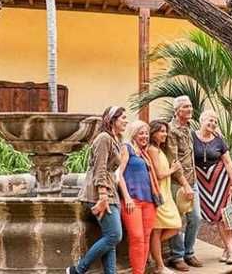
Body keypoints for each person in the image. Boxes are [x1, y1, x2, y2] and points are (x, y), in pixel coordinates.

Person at [67, 106, 127, 274]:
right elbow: (100, 168)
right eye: (123, 118)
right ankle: (78, 270)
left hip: (110, 191)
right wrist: (103, 195)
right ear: (112, 120)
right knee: (114, 235)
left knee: (111, 238)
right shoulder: (103, 138)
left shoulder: (115, 139)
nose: (126, 121)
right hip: (100, 193)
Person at [193, 110, 232, 264]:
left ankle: (230, 251)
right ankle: (227, 248)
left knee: (225, 217)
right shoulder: (191, 137)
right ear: (201, 120)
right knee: (216, 217)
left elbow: (228, 163)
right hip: (203, 185)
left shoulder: (219, 140)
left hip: (222, 183)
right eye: (210, 120)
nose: (213, 123)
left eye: (215, 121)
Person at [117, 120, 162, 274]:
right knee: (136, 237)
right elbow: (118, 174)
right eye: (141, 133)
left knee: (146, 237)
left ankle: (140, 271)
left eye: (147, 133)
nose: (145, 136)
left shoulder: (143, 153)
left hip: (149, 201)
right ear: (133, 134)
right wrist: (127, 198)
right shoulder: (126, 148)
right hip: (133, 201)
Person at [147, 120, 191, 274]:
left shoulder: (160, 150)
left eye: (166, 131)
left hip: (166, 194)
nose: (165, 134)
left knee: (176, 225)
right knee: (158, 230)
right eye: (161, 131)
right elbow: (158, 174)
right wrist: (174, 169)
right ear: (153, 133)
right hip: (159, 194)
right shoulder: (152, 150)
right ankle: (159, 266)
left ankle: (150, 248)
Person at [167, 96, 202, 270]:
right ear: (177, 110)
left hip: (192, 181)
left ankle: (189, 252)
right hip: (178, 183)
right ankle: (177, 256)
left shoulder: (188, 127)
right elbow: (174, 161)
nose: (190, 109)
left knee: (196, 218)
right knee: (178, 221)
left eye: (190, 106)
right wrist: (185, 184)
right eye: (186, 107)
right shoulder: (171, 130)